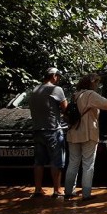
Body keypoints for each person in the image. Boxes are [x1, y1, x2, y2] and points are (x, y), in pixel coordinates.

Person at [65, 73, 107, 201]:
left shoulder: (75, 95)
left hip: (73, 133)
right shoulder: (90, 95)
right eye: (96, 82)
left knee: (73, 163)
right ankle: (86, 194)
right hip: (88, 133)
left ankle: (68, 192)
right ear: (91, 83)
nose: (97, 85)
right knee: (88, 164)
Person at [30, 67, 68, 198]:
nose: (58, 79)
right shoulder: (56, 89)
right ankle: (57, 190)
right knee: (56, 161)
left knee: (39, 162)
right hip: (53, 131)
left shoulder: (35, 90)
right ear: (53, 76)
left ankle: (37, 190)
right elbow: (66, 109)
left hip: (37, 131)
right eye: (58, 76)